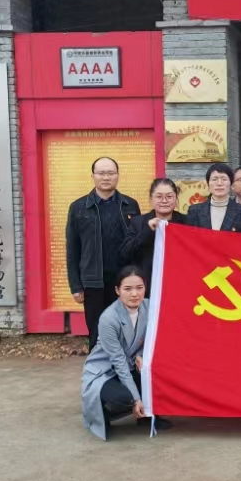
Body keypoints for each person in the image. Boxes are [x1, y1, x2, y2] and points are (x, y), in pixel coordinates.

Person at [81, 265, 168, 440]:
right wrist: (136, 399)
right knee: (125, 397)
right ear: (117, 290)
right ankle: (103, 413)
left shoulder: (150, 306)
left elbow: (154, 338)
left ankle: (147, 415)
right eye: (127, 289)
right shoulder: (108, 318)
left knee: (160, 374)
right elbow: (118, 361)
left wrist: (142, 355)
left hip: (131, 364)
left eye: (139, 288)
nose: (134, 294)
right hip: (105, 371)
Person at [66, 157, 141, 348]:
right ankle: (98, 366)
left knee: (126, 330)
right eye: (101, 173)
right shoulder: (78, 207)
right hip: (93, 282)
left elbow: (137, 245)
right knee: (97, 332)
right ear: (92, 176)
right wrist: (76, 286)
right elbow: (73, 249)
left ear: (117, 175)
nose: (106, 177)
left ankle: (124, 366)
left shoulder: (130, 205)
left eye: (110, 173)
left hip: (123, 281)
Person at [121, 178, 186, 297]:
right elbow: (126, 253)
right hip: (147, 287)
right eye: (159, 196)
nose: (164, 201)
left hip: (179, 285)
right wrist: (147, 231)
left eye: (169, 196)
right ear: (151, 199)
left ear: (176, 199)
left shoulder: (186, 223)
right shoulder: (138, 223)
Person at [187, 163, 241, 232]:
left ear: (231, 184)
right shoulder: (194, 211)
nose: (219, 183)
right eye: (214, 179)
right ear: (208, 184)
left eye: (224, 179)